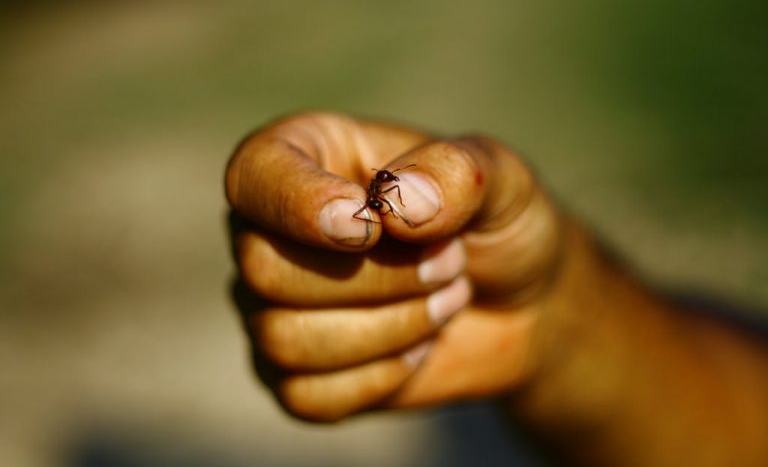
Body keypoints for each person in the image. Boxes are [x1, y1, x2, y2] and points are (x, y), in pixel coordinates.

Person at [224, 111, 768, 466]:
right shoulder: (379, 195)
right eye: (382, 190)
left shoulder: (383, 193)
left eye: (384, 192)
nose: (383, 193)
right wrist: (554, 307)